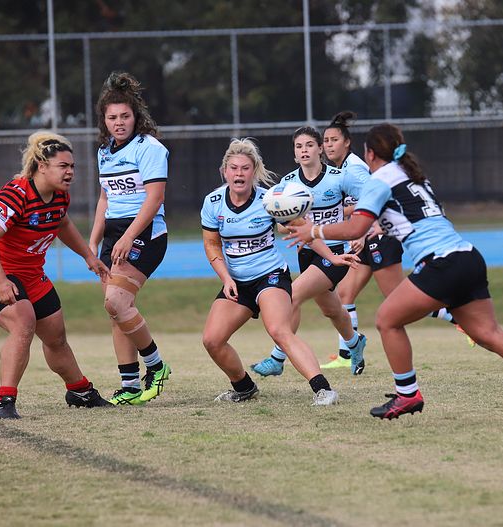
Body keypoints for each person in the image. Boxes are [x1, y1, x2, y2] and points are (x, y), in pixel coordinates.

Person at [285, 123, 503, 425]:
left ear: (369, 153)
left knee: (386, 319)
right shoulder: (414, 177)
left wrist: (313, 230)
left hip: (441, 263)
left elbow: (356, 227)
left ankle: (408, 394)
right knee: (489, 334)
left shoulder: (378, 181)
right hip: (468, 257)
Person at [0, 131, 112, 419]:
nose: (70, 171)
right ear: (41, 166)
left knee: (56, 337)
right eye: (63, 166)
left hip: (33, 275)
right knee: (24, 322)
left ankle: (80, 391)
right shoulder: (16, 193)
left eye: (72, 166)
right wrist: (0, 281)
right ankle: (5, 402)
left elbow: (62, 224)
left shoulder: (60, 196)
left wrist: (88, 255)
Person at [322, 111, 473, 370]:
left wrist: (352, 230)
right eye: (325, 141)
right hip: (367, 236)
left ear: (347, 142)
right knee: (345, 293)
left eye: (333, 140)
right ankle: (347, 355)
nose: (328, 146)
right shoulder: (344, 168)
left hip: (376, 236)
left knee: (397, 300)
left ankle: (459, 318)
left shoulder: (356, 168)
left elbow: (372, 203)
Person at [201, 138, 340, 405]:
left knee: (279, 330)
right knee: (212, 340)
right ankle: (244, 387)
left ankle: (323, 389)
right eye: (233, 168)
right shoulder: (213, 202)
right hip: (237, 282)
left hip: (271, 276)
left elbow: (306, 232)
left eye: (245, 168)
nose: (239, 174)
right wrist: (226, 278)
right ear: (224, 171)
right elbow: (211, 244)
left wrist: (333, 257)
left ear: (254, 171)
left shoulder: (270, 200)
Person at [250, 126, 368, 377]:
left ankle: (277, 357)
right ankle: (355, 342)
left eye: (309, 145)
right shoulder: (287, 185)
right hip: (306, 253)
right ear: (294, 154)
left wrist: (361, 232)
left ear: (320, 149)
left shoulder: (339, 177)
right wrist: (291, 223)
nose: (304, 150)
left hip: (336, 252)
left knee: (291, 295)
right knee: (332, 310)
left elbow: (369, 201)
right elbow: (282, 226)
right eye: (298, 146)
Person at [89, 71, 171, 406]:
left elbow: (154, 199)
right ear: (104, 121)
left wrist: (128, 238)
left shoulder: (149, 148)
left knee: (116, 302)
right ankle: (130, 384)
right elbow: (105, 199)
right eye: (112, 118)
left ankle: (156, 365)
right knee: (117, 311)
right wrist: (91, 243)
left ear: (135, 116)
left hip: (144, 232)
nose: (119, 123)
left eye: (125, 116)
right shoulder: (104, 151)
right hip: (113, 233)